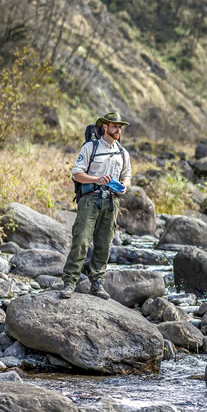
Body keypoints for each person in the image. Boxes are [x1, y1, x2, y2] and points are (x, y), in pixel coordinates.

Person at [60, 112, 132, 299]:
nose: (118, 130)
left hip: (111, 202)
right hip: (90, 199)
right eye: (114, 126)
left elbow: (127, 175)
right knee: (82, 240)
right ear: (105, 127)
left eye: (120, 127)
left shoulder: (123, 153)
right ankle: (69, 283)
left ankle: (96, 283)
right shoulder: (90, 147)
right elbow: (76, 173)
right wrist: (97, 179)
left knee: (104, 244)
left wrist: (124, 186)